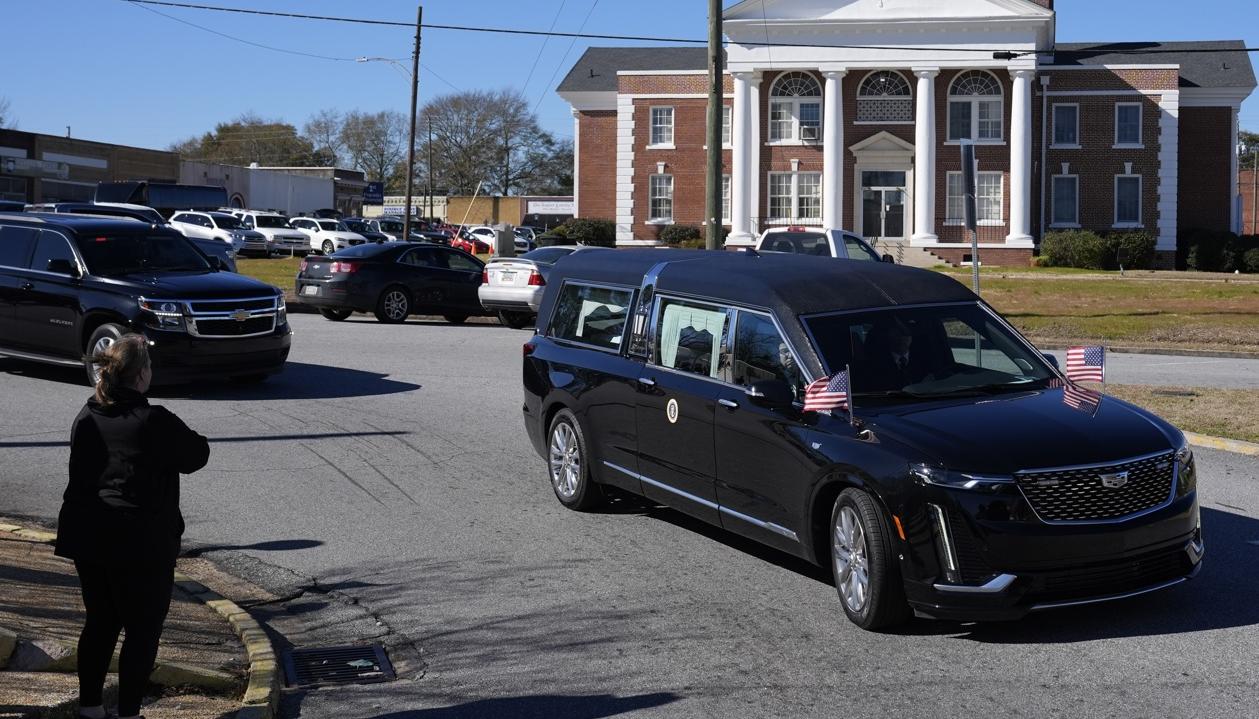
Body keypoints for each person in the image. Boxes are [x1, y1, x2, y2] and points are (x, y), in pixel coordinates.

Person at [53, 335, 209, 719]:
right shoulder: (153, 420)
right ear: (141, 375)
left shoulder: (87, 414)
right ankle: (128, 713)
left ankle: (90, 708)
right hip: (140, 543)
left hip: (89, 537)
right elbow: (196, 454)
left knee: (100, 622)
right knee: (141, 631)